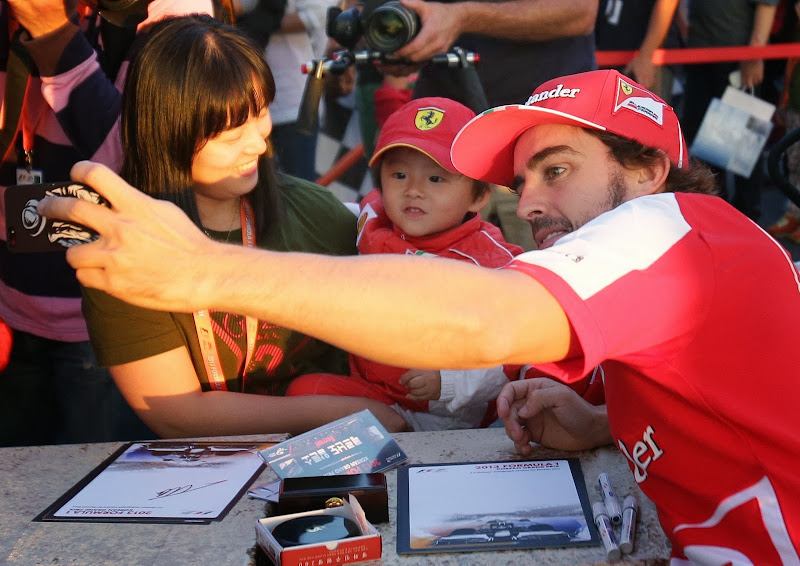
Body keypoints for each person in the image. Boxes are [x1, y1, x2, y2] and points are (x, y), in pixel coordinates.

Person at [40, 69, 800, 562]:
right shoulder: (688, 256)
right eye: (522, 179)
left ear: (650, 169)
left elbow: (482, 318)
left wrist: (203, 269)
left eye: (558, 169)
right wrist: (605, 421)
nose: (529, 201)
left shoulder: (677, 226)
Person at [76, 14, 407, 438]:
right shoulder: (126, 247)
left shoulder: (320, 214)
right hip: (204, 473)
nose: (258, 142)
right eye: (231, 134)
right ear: (167, 133)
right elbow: (176, 415)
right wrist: (349, 411)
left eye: (261, 114)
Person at [0, 0, 221, 446]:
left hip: (104, 323)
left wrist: (51, 34)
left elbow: (142, 159)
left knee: (97, 489)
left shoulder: (168, 11)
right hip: (12, 302)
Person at [286, 97, 524, 430]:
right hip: (375, 389)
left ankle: (403, 431)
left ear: (479, 196)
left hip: (442, 413)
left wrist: (448, 383)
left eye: (435, 179)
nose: (413, 190)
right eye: (399, 174)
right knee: (303, 392)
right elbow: (339, 214)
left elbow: (515, 352)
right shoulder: (372, 217)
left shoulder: (489, 265)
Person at [681, 0, 780, 220]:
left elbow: (768, 6)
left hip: (736, 61)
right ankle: (710, 212)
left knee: (743, 148)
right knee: (699, 138)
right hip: (699, 56)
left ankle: (748, 218)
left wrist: (755, 55)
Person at [594, 0, 682, 102]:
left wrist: (646, 54)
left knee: (646, 112)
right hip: (607, 50)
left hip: (646, 60)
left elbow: (668, 2)